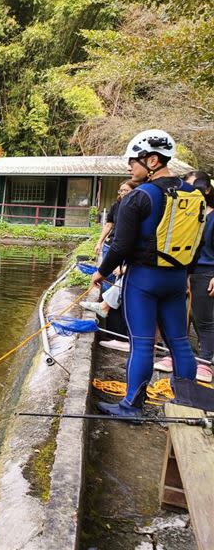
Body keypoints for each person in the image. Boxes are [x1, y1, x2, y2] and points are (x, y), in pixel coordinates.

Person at [91, 129, 206, 418]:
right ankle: (186, 407)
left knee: (142, 343)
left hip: (143, 280)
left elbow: (120, 246)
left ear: (152, 160)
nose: (130, 167)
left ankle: (132, 405)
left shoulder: (139, 196)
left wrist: (101, 273)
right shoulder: (194, 195)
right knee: (179, 342)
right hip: (177, 279)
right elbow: (198, 241)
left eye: (134, 161)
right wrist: (185, 274)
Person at [154, 170, 214, 382]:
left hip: (207, 272)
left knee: (203, 319)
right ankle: (175, 355)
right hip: (182, 270)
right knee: (178, 318)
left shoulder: (212, 216)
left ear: (206, 190)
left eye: (194, 186)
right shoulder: (184, 212)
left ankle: (206, 363)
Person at [81, 179, 139, 323]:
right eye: (121, 190)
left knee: (119, 283)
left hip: (125, 248)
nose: (123, 193)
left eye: (126, 190)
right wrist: (99, 242)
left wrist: (124, 267)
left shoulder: (136, 207)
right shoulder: (116, 206)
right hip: (111, 245)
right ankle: (104, 314)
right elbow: (108, 225)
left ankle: (112, 318)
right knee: (107, 280)